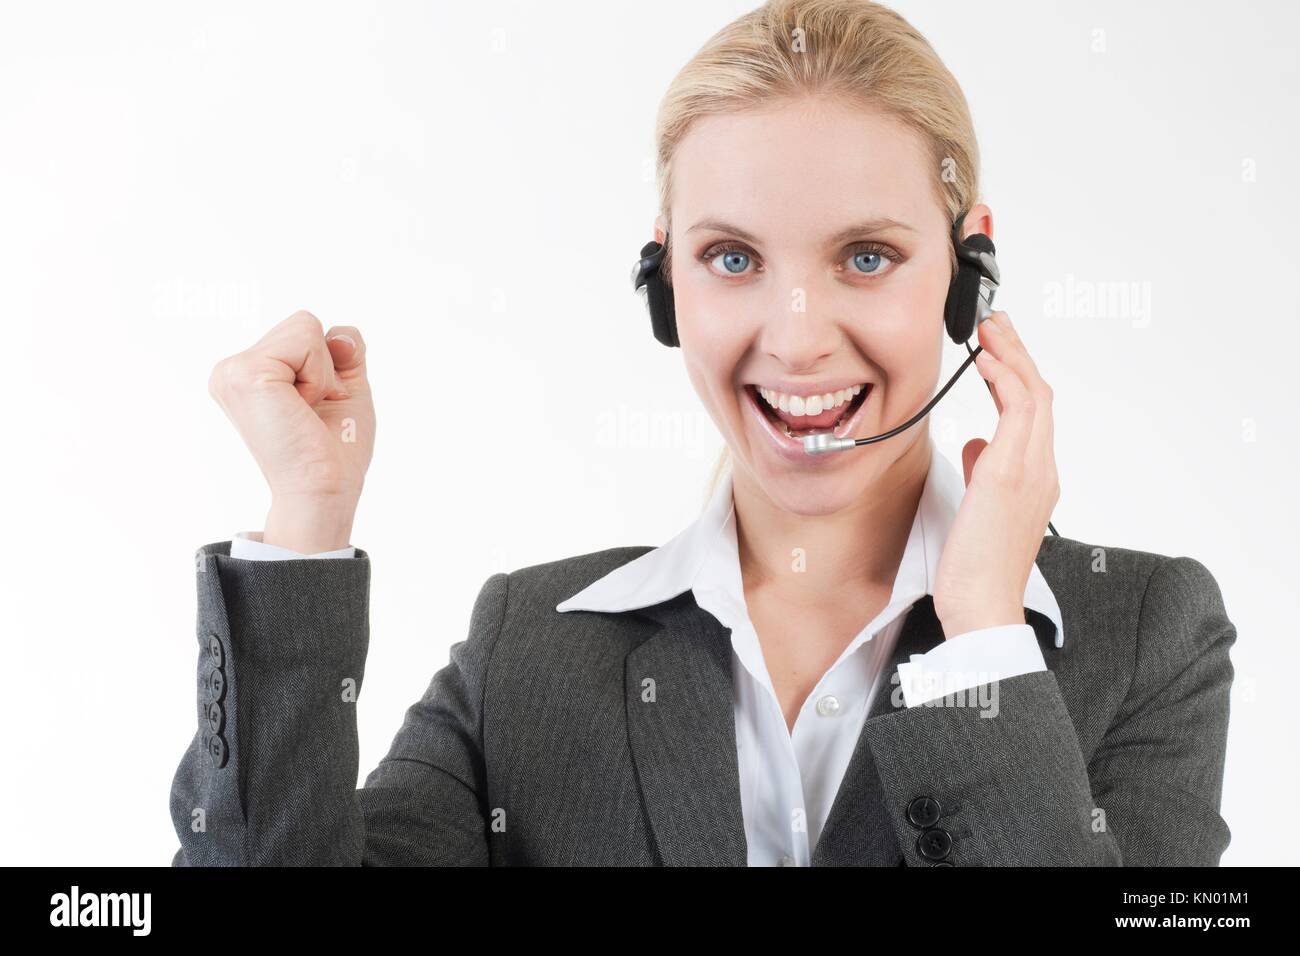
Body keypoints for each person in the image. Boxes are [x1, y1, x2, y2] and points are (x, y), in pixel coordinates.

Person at [170, 0, 1235, 866]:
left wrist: (984, 637)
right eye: (732, 258)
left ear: (968, 268)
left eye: (866, 256)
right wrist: (306, 525)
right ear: (664, 278)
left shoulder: (1145, 634)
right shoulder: (528, 649)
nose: (798, 338)